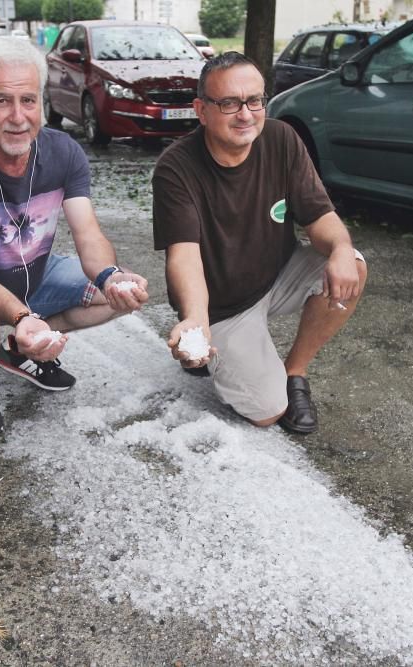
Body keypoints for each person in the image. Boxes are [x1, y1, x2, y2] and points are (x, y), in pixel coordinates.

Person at [0, 37, 148, 435]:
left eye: (29, 101)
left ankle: (18, 351)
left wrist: (111, 276)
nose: (18, 117)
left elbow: (89, 236)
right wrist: (23, 316)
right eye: (1, 101)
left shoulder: (63, 152)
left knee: (116, 296)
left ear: (42, 100)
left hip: (30, 273)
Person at [152, 52, 367, 434]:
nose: (246, 114)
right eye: (229, 103)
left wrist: (339, 249)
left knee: (352, 263)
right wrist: (197, 320)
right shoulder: (176, 167)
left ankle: (294, 374)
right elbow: (183, 255)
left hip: (278, 274)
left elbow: (319, 216)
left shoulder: (282, 138)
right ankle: (212, 352)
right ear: (201, 110)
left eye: (255, 100)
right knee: (267, 412)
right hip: (223, 304)